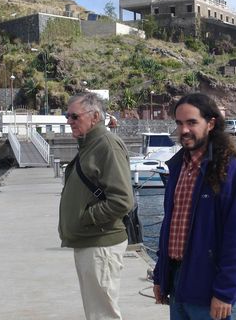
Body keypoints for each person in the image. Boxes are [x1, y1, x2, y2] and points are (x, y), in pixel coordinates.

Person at [153, 93, 236, 320]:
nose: (184, 130)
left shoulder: (229, 170)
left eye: (192, 122)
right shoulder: (178, 166)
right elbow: (170, 225)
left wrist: (225, 292)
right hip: (177, 279)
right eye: (179, 123)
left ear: (210, 124)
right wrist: (160, 276)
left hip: (209, 284)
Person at [59, 92, 134, 320]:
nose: (69, 121)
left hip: (100, 244)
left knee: (103, 314)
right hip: (90, 241)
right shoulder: (90, 145)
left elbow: (122, 200)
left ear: (95, 117)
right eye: (67, 116)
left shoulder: (106, 145)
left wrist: (86, 217)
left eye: (74, 116)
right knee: (97, 312)